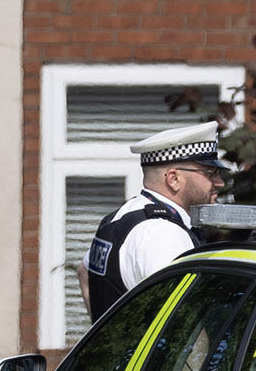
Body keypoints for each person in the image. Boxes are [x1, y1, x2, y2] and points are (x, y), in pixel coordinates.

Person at [85, 125, 231, 324]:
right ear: (174, 179)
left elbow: (84, 272)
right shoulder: (163, 234)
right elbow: (184, 322)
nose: (219, 182)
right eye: (210, 173)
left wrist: (102, 333)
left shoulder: (122, 215)